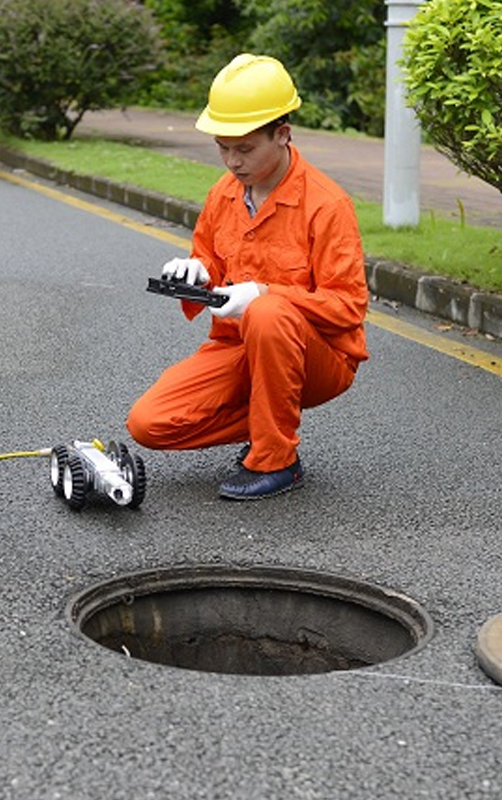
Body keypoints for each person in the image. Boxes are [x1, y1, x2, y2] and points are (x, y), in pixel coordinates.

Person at [126, 53, 369, 501]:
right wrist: (196, 273)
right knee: (148, 423)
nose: (231, 162)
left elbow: (347, 308)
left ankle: (277, 459)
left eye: (244, 149)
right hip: (237, 346)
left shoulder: (326, 205)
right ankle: (267, 419)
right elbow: (212, 260)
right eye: (222, 147)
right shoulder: (225, 192)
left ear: (282, 135)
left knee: (269, 312)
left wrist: (262, 293)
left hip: (319, 359)